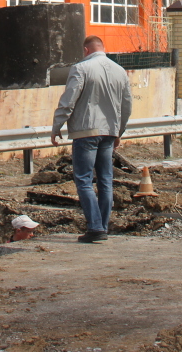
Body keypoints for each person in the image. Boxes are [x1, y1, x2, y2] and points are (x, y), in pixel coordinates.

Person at [51, 35, 133, 244]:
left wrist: (57, 125)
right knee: (105, 180)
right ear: (102, 48)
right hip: (108, 133)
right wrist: (118, 132)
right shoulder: (119, 71)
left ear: (86, 50)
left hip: (86, 131)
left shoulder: (81, 69)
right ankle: (102, 227)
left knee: (84, 180)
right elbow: (127, 106)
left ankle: (95, 227)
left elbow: (69, 100)